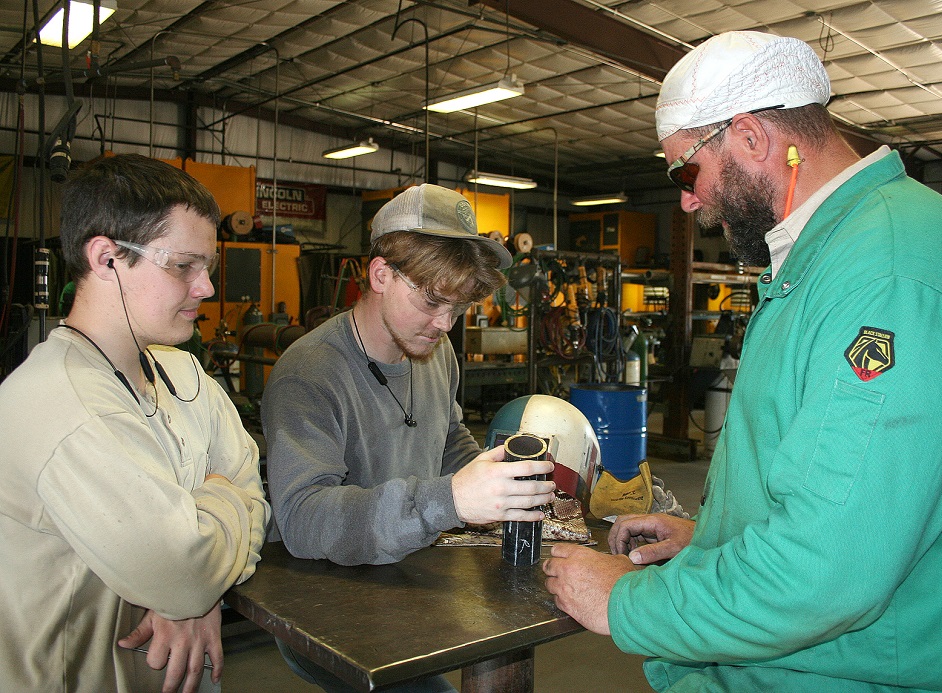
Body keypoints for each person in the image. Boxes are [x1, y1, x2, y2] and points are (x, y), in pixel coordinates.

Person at [543, 30, 942, 692]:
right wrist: (715, 538)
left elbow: (829, 571)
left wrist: (623, 601)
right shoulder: (832, 257)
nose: (685, 200)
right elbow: (852, 489)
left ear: (750, 138)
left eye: (684, 171)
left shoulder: (890, 276)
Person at [261, 183, 556, 691]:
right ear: (380, 274)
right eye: (432, 301)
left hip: (409, 570)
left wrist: (498, 474)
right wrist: (448, 500)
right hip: (328, 598)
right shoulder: (308, 372)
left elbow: (446, 439)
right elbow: (303, 521)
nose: (444, 324)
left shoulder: (435, 351)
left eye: (458, 309)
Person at [0, 154, 270, 692]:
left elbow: (252, 490)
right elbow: (185, 570)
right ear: (106, 258)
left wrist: (200, 594)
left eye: (208, 268)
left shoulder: (182, 371)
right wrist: (195, 574)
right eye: (182, 267)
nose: (207, 289)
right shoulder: (63, 407)